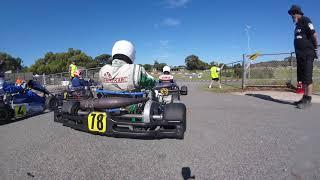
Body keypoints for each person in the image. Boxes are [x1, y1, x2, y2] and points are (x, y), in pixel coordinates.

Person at [288, 5, 318, 109]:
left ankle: (308, 100)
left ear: (296, 13)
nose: (291, 17)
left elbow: (314, 34)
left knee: (307, 77)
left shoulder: (306, 20)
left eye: (292, 14)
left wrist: (315, 48)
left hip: (308, 53)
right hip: (300, 55)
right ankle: (304, 98)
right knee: (302, 78)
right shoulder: (297, 25)